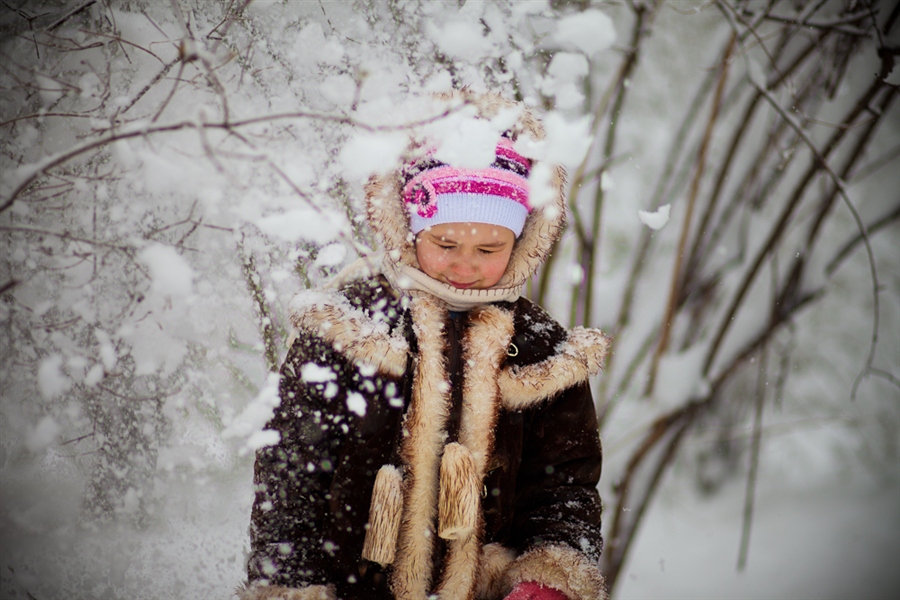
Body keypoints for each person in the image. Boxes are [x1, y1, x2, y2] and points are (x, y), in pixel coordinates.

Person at [241, 91, 610, 600]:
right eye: (445, 244)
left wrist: (547, 576)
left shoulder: (541, 350)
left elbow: (565, 487)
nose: (464, 265)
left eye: (489, 249)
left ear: (523, 240)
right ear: (409, 228)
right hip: (352, 586)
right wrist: (291, 583)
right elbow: (291, 475)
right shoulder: (348, 331)